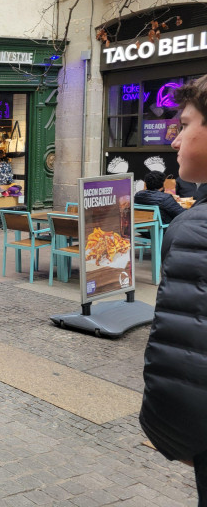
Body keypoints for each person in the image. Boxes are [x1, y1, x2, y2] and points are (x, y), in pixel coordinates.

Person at [139, 74, 207, 506]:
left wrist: (175, 438)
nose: (175, 140)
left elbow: (185, 359)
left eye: (184, 125)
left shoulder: (194, 229)